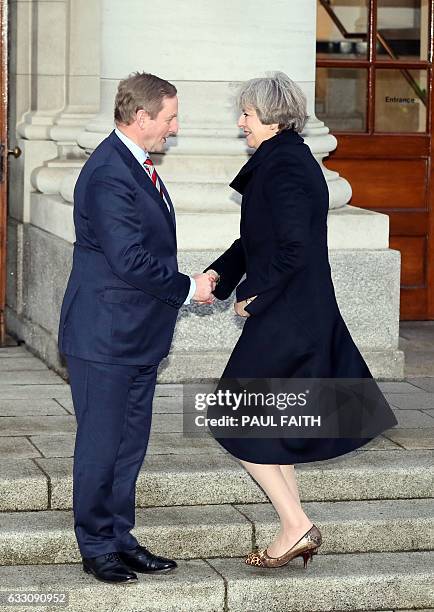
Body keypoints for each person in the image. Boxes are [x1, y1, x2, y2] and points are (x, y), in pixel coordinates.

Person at [205, 72, 398, 569]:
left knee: (235, 415)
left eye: (246, 113)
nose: (241, 122)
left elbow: (293, 249)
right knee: (266, 420)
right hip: (293, 312)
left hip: (290, 315)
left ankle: (295, 525)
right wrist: (220, 277)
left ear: (270, 116)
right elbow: (257, 242)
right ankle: (295, 525)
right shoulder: (281, 160)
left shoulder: (286, 166)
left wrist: (254, 296)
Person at [58, 72, 215, 584]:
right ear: (142, 117)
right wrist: (188, 287)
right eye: (170, 117)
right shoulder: (108, 172)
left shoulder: (136, 165)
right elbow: (128, 258)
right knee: (102, 443)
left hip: (137, 336)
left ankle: (120, 537)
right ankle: (97, 544)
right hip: (104, 337)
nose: (175, 126)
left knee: (128, 444)